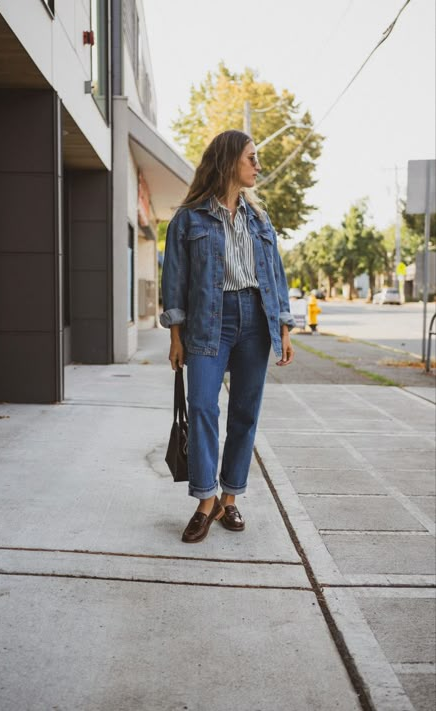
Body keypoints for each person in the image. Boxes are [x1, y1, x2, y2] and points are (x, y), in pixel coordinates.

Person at [160, 129, 295, 543]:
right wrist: (175, 337)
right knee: (202, 405)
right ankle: (205, 500)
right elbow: (175, 280)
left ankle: (230, 499)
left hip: (255, 320)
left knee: (244, 413)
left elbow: (275, 274)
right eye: (251, 158)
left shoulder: (260, 218)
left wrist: (284, 328)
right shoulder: (189, 218)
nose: (257, 166)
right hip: (207, 322)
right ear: (228, 162)